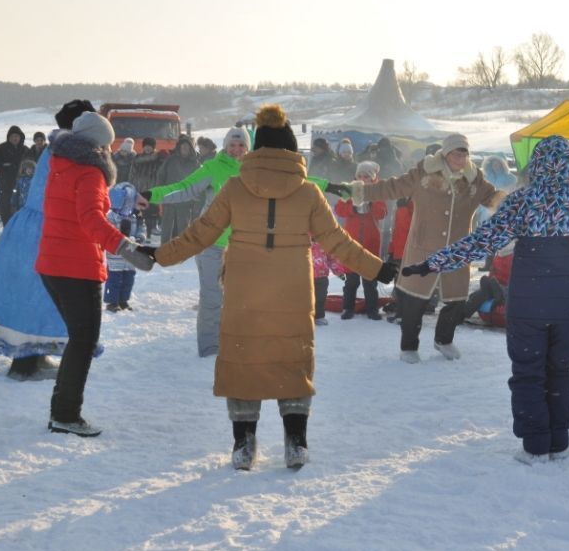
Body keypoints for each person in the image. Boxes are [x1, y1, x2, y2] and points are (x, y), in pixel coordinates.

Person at [149, 104, 397, 470]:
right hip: (293, 289)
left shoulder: (234, 187)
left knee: (241, 357)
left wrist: (158, 255)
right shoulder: (309, 192)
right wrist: (378, 269)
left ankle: (243, 444)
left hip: (244, 289)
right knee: (292, 359)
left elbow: (201, 233)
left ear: (255, 149)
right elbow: (336, 241)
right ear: (292, 151)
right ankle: (296, 441)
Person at [403, 136, 569, 463]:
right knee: (560, 369)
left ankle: (536, 446)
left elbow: (480, 243)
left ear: (535, 164)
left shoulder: (523, 201)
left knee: (529, 372)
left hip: (530, 303)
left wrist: (432, 263)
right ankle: (559, 443)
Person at [36, 112, 154, 437]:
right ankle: (65, 414)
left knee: (80, 339)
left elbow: (80, 211)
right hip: (76, 266)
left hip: (52, 263)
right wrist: (128, 249)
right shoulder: (90, 172)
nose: (109, 151)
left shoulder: (60, 166)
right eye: (107, 144)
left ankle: (62, 410)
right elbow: (90, 220)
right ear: (97, 144)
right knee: (84, 340)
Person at [350, 133, 504, 362]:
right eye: (455, 152)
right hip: (423, 248)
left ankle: (444, 339)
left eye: (464, 153)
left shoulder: (475, 180)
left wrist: (521, 205)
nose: (459, 157)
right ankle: (409, 347)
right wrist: (362, 191)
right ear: (445, 153)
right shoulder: (424, 172)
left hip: (458, 251)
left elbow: (495, 198)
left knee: (456, 300)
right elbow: (393, 187)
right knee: (414, 302)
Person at [0, 100, 97, 381]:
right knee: (35, 295)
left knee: (41, 296)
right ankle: (23, 363)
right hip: (43, 233)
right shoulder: (68, 153)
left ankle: (36, 354)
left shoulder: (57, 149)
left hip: (33, 230)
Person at [143, 127, 251, 357]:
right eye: (232, 145)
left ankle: (233, 342)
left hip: (243, 247)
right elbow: (184, 189)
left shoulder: (254, 170)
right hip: (213, 245)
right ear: (225, 145)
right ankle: (210, 349)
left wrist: (328, 186)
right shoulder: (213, 167)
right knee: (213, 298)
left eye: (241, 145)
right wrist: (152, 195)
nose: (236, 150)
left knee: (239, 299)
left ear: (247, 147)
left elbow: (293, 182)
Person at [335, 161, 387, 320]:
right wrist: (352, 208)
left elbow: (382, 213)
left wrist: (371, 204)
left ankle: (372, 310)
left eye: (367, 176)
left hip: (371, 242)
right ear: (356, 176)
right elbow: (338, 210)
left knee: (370, 280)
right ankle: (347, 308)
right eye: (360, 176)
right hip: (352, 241)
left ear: (373, 178)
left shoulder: (377, 192)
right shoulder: (348, 190)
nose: (363, 179)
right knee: (351, 280)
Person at [104, 182, 145, 312]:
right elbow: (109, 232)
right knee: (114, 279)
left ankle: (123, 300)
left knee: (128, 279)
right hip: (115, 254)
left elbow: (141, 228)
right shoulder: (111, 217)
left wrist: (140, 237)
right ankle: (112, 302)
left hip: (131, 255)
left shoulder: (134, 216)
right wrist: (120, 238)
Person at [156, 135, 200, 242]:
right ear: (179, 148)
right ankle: (164, 251)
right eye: (183, 147)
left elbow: (199, 181)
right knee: (166, 228)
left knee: (183, 228)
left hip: (185, 201)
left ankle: (182, 252)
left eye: (187, 147)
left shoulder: (195, 163)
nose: (185, 149)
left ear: (191, 149)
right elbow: (161, 175)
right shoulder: (171, 160)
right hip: (169, 198)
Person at [0, 125, 28, 226]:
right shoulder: (1, 148)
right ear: (8, 137)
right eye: (13, 136)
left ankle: (19, 226)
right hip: (5, 183)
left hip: (22, 184)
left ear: (21, 137)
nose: (15, 138)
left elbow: (32, 165)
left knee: (21, 205)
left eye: (17, 136)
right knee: (5, 204)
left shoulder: (25, 150)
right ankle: (6, 226)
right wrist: (4, 168)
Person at [129, 137, 164, 239]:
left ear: (153, 147)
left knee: (151, 212)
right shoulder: (137, 158)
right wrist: (131, 186)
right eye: (146, 146)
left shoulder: (158, 159)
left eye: (150, 146)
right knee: (140, 212)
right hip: (139, 189)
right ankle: (140, 233)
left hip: (152, 189)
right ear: (143, 147)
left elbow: (162, 173)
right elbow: (132, 174)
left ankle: (149, 233)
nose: (148, 148)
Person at [312, 241, 345, 327]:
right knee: (306, 298)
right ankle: (305, 317)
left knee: (320, 297)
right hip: (305, 277)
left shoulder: (324, 243)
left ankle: (319, 317)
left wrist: (339, 272)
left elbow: (331, 259)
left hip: (322, 276)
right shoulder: (301, 242)